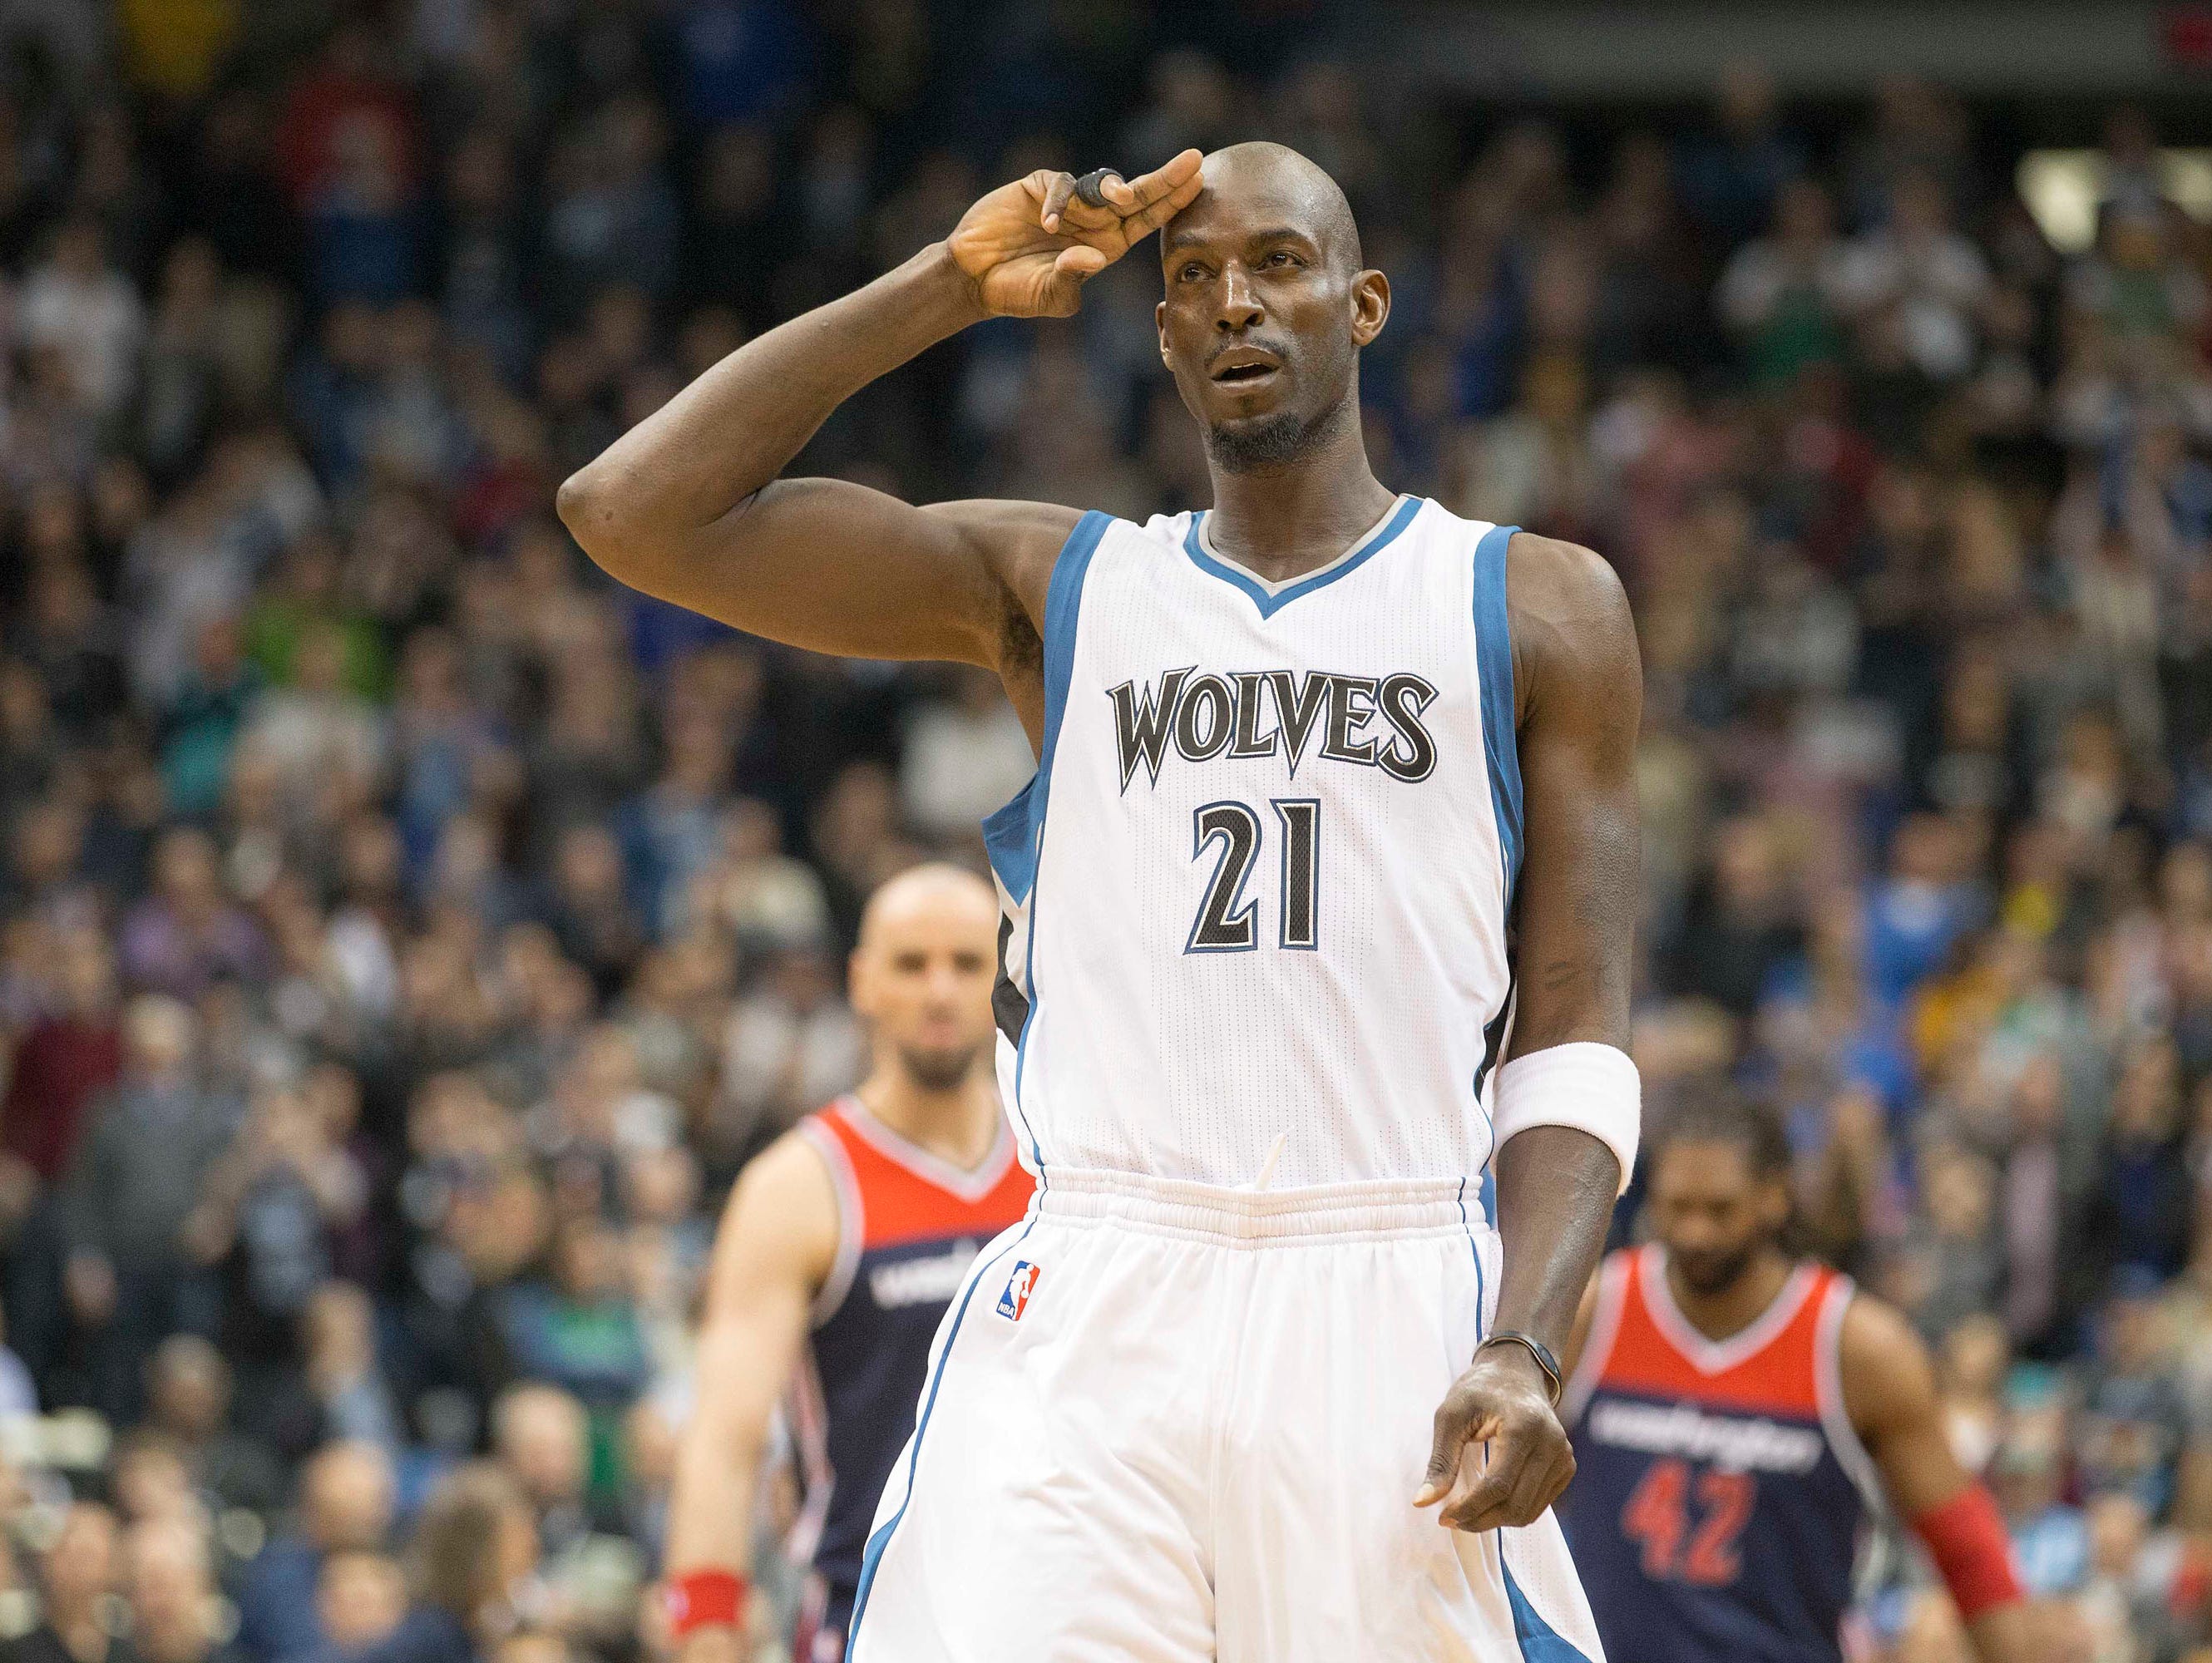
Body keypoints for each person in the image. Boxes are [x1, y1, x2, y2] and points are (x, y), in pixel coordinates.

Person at [561, 141, 1642, 1660]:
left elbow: (1578, 1032)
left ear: (1367, 302)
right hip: (1098, 1290)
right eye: (1191, 279)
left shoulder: (1537, 604)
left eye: (1277, 263)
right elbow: (631, 511)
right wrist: (946, 287)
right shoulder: (1061, 587)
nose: (1233, 304)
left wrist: (1528, 1340)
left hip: (1387, 1285)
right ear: (1158, 334)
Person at [659, 865, 1032, 1662]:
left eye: (966, 964)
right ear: (862, 982)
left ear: (1003, 975)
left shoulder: (1063, 1162)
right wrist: (705, 1625)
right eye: (911, 963)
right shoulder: (797, 1186)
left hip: (1050, 1611)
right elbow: (724, 1441)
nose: (938, 990)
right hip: (869, 1621)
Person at [1559, 1092, 2056, 1663]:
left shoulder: (1857, 1348)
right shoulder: (1595, 1311)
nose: (1695, 1233)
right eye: (1677, 1207)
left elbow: (1967, 1548)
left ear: (1775, 1197)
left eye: (1720, 1209)